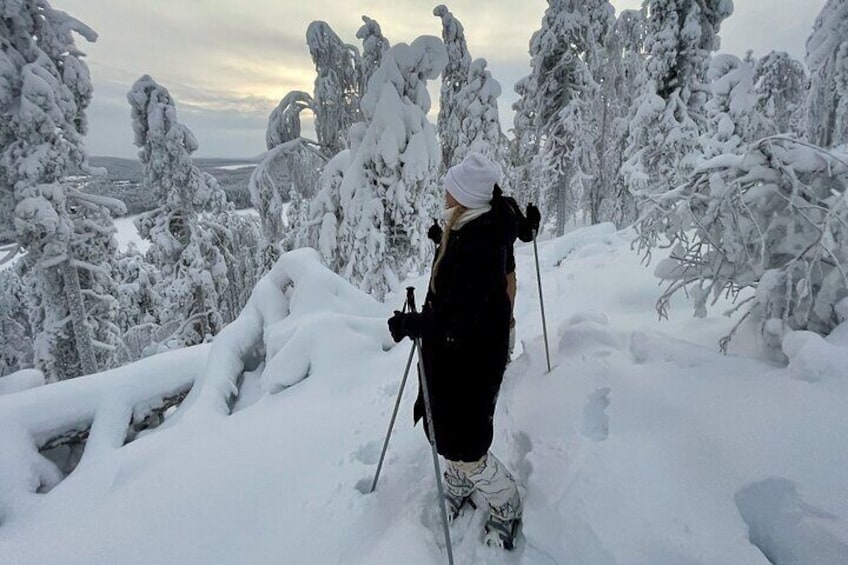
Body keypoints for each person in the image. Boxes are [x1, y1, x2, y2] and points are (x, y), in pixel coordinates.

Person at [388, 153, 525, 550]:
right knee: (447, 424)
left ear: (464, 196)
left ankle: (503, 502)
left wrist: (411, 324)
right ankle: (461, 476)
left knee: (465, 441)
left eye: (451, 187)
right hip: (458, 355)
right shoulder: (470, 226)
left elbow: (457, 318)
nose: (444, 191)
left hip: (471, 358)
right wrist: (442, 242)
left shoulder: (478, 247)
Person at [428, 187, 540, 358]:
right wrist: (533, 222)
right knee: (503, 317)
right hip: (504, 275)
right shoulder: (507, 206)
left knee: (482, 320)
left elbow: (461, 240)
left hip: (481, 276)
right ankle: (503, 355)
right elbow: (526, 235)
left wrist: (440, 238)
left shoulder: (470, 208)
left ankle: (496, 357)